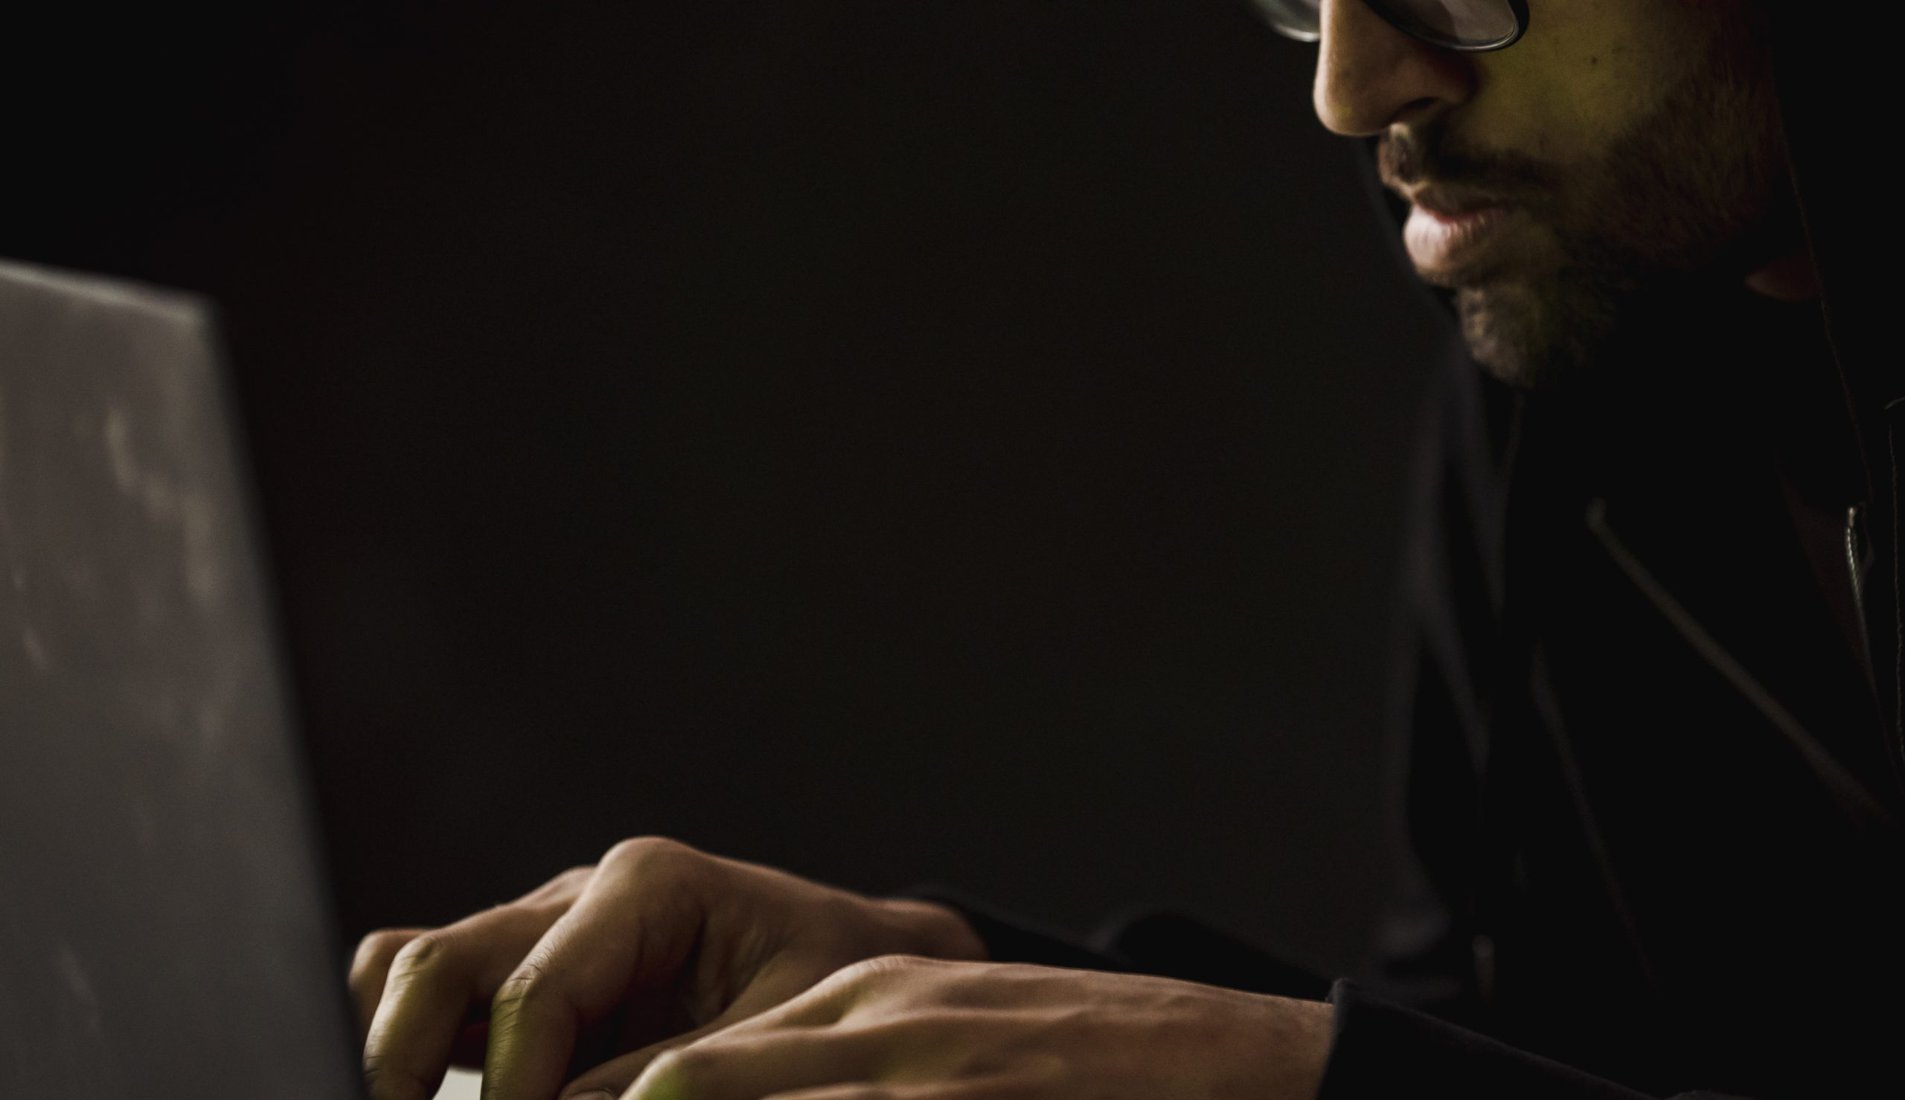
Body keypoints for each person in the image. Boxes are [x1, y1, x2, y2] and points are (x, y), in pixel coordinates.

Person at [349, 1, 1902, 1097]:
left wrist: (1312, 1086)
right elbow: (1534, 1044)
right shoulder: (1577, 338)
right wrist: (933, 981)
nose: (1351, 87)